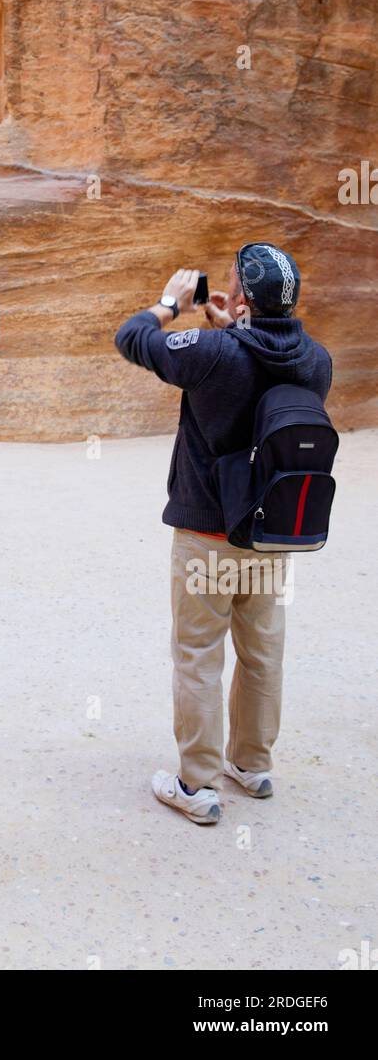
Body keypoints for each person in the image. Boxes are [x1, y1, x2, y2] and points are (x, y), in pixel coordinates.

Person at [114, 243, 332, 824]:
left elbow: (132, 339)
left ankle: (197, 783)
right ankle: (253, 764)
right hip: (271, 532)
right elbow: (263, 382)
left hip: (207, 532)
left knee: (198, 655)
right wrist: (229, 328)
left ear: (241, 297)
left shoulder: (211, 352)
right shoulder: (317, 361)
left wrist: (170, 304)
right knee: (261, 652)